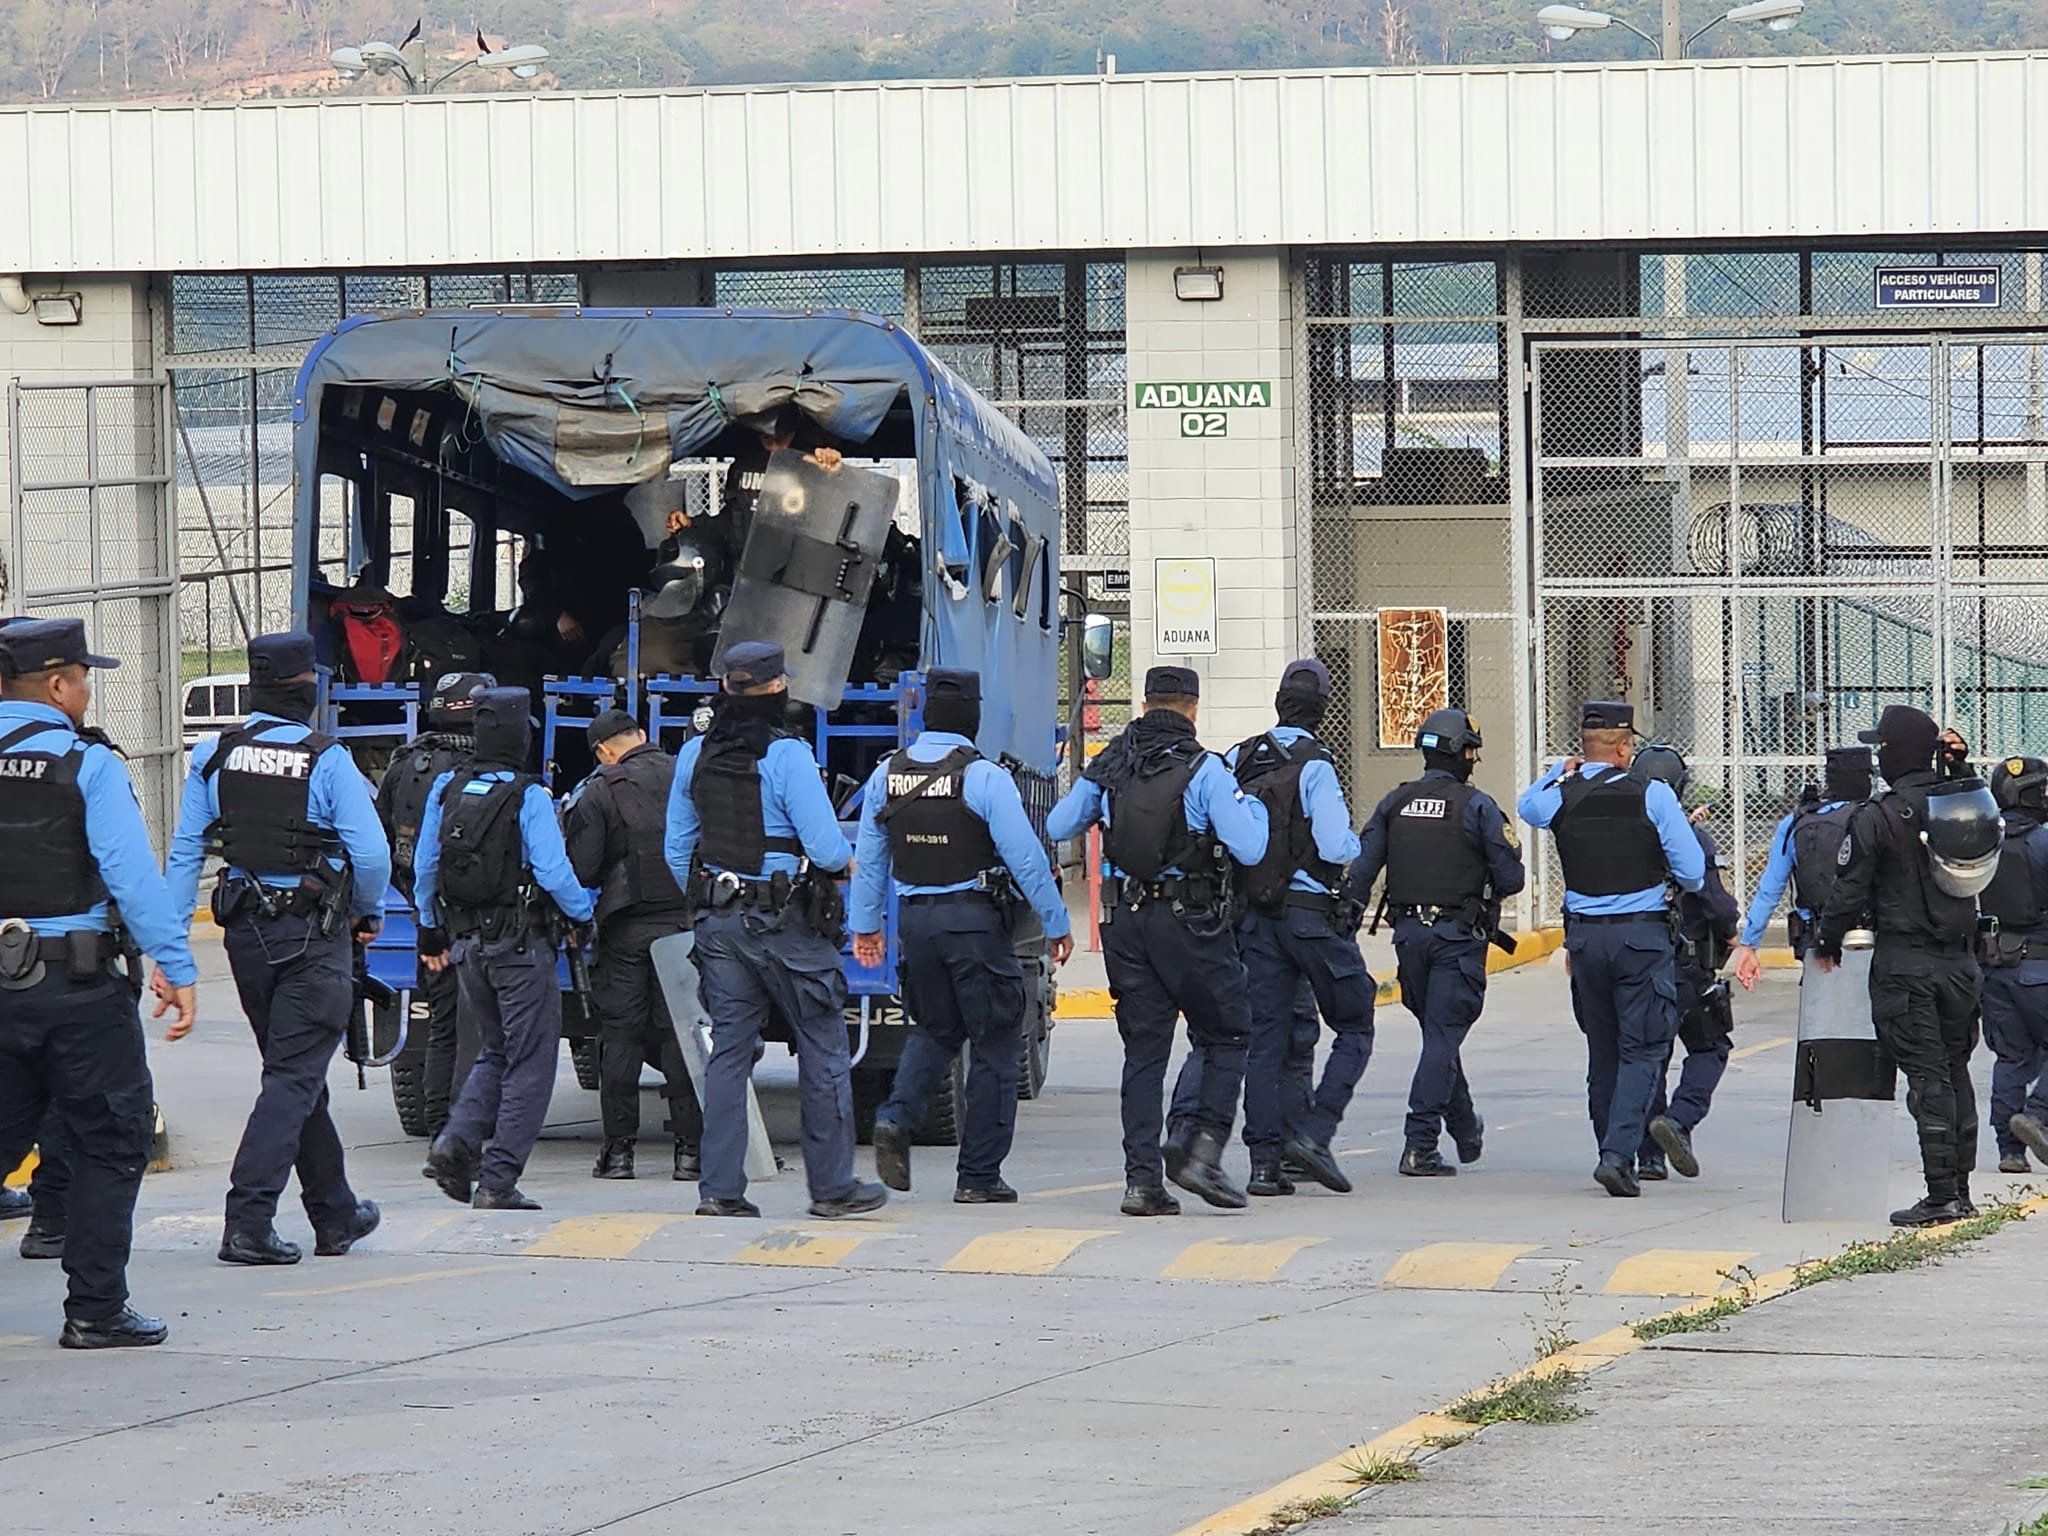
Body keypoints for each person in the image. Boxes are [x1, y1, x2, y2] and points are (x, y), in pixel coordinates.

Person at [0, 618, 197, 1346]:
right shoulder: (88, 763)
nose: (87, 691)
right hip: (77, 990)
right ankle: (95, 1308)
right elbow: (132, 877)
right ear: (57, 685)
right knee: (112, 1138)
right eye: (83, 679)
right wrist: (176, 966)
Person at [166, 632, 390, 1267]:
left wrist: (171, 947)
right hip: (313, 937)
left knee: (295, 1072)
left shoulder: (213, 755)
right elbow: (371, 854)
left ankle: (335, 1212)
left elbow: (185, 854)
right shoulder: (328, 760)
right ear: (309, 690)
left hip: (247, 936)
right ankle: (248, 1219)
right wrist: (366, 910)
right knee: (292, 1076)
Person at [663, 642, 886, 1220]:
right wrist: (847, 864)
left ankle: (719, 1190)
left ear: (726, 688)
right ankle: (832, 1189)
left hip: (720, 923)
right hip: (787, 926)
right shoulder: (788, 756)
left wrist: (711, 898)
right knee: (823, 1048)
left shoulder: (693, 755)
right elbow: (826, 848)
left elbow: (676, 850)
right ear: (777, 688)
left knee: (729, 1054)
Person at [1046, 665, 1268, 1216]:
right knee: (1227, 1033)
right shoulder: (1205, 769)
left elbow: (1058, 825)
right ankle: (1203, 1150)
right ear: (1193, 709)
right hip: (1190, 923)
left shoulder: (1112, 764)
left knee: (1143, 1053)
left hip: (1127, 922)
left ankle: (1141, 1183)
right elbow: (1250, 847)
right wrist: (1254, 807)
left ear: (1144, 705)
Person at [849, 667, 1073, 1202]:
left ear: (927, 715)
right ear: (972, 716)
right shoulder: (984, 777)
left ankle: (896, 1118)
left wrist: (866, 927)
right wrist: (1056, 923)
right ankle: (979, 1176)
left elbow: (871, 860)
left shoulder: (886, 774)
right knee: (995, 1045)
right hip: (974, 923)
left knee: (934, 1030)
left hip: (917, 926)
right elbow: (1026, 858)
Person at [1815, 706, 1999, 1227]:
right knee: (1955, 1072)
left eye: (1883, 747)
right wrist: (1960, 768)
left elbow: (1848, 889)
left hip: (1906, 963)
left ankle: (1941, 1196)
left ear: (1894, 752)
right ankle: (1960, 1191)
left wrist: (1827, 939)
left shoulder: (1879, 815)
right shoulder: (1959, 803)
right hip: (1960, 964)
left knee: (1927, 1077)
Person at [417, 688, 595, 1211]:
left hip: (467, 945)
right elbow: (553, 872)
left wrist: (430, 927)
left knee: (495, 1050)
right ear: (521, 737)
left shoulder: (448, 786)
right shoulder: (528, 795)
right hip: (520, 946)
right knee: (532, 1062)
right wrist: (583, 914)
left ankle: (454, 1141)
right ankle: (498, 1181)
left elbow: (426, 865)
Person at [1518, 701, 1705, 1198]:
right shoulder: (1653, 794)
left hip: (1585, 939)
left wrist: (1560, 771)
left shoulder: (1561, 794)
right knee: (1641, 1050)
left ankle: (1608, 1147)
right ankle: (1618, 1157)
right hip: (1640, 937)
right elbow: (1692, 872)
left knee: (1602, 1051)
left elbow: (1526, 805)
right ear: (1624, 749)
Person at [1352, 706, 1525, 1178]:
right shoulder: (1477, 806)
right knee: (1443, 1038)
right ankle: (1420, 1142)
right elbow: (1511, 879)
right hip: (1455, 938)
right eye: (1471, 750)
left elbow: (1361, 871)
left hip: (1408, 938)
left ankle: (1465, 1128)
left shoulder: (1394, 801)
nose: (1474, 759)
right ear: (1459, 753)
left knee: (1438, 1038)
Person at [1223, 659, 1373, 1195]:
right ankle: (1313, 1135)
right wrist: (1355, 845)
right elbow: (1334, 846)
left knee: (1267, 1039)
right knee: (1356, 1023)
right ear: (1321, 711)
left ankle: (1265, 1165)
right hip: (1309, 916)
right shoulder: (1317, 765)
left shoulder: (1239, 756)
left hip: (1254, 919)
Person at [563, 708, 702, 1182]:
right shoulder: (687, 773)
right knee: (681, 1033)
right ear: (642, 735)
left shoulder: (600, 789)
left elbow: (584, 870)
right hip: (685, 925)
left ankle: (618, 1154)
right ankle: (690, 1154)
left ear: (603, 751)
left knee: (621, 1035)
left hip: (625, 929)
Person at [375, 670, 494, 1136]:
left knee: (442, 1024)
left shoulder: (405, 763)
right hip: (473, 918)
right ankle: (464, 1126)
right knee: (479, 1028)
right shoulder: (478, 771)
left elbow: (383, 839)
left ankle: (441, 1123)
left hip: (424, 913)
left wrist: (420, 908)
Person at [1628, 745, 1740, 1181]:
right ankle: (1678, 1120)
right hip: (1688, 967)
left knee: (1650, 1056)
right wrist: (1733, 934)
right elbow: (1715, 902)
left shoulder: (1624, 835)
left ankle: (1649, 1158)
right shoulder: (1691, 838)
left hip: (1639, 962)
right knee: (1711, 1047)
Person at [1731, 747, 1874, 990]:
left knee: (1819, 1009)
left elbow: (1770, 889)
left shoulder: (1797, 822)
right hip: (1872, 936)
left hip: (1815, 939)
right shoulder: (1874, 818)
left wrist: (1749, 945)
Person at [1975, 756, 2048, 1174]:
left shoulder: (1980, 841)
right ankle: (2037, 1114)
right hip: (2039, 967)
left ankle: (2010, 1151)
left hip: (1994, 969)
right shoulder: (2043, 842)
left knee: (2011, 1058)